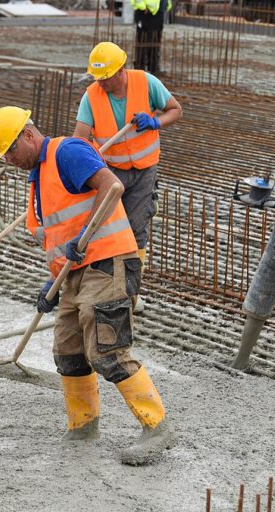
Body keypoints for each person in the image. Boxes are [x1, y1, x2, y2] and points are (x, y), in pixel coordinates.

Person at [0, 105, 175, 465]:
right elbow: (59, 235)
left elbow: (113, 186)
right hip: (74, 272)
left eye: (11, 150)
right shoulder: (38, 178)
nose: (9, 159)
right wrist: (52, 283)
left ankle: (157, 426)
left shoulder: (67, 152)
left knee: (106, 347)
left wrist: (85, 238)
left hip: (108, 259)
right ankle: (83, 425)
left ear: (28, 134)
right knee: (68, 351)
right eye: (4, 155)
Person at [74, 41, 182, 312]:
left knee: (136, 229)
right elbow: (79, 138)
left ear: (121, 69)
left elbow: (175, 110)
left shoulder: (146, 82)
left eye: (107, 77)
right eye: (98, 77)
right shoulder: (92, 95)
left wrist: (156, 122)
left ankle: (132, 293)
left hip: (145, 169)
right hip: (111, 173)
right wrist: (87, 158)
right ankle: (105, 287)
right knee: (106, 229)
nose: (102, 83)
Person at [131, 0, 171, 74]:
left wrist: (166, 5)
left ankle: (153, 67)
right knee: (144, 41)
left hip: (158, 12)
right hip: (145, 13)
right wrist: (143, 7)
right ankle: (140, 68)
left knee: (155, 41)